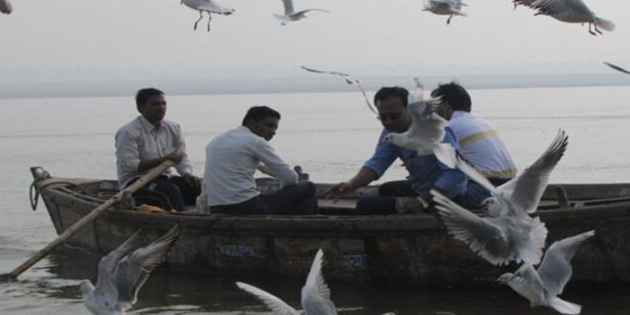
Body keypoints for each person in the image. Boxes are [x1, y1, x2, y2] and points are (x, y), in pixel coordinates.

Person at [324, 86, 488, 214]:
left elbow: (454, 176)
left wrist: (421, 201)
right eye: (383, 117)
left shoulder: (435, 130)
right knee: (386, 189)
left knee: (366, 205)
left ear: (409, 110)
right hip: (422, 187)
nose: (389, 122)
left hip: (450, 195)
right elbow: (377, 163)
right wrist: (350, 184)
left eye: (395, 116)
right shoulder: (391, 133)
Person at [204, 106, 317, 215]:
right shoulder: (255, 141)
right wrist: (285, 190)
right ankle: (301, 225)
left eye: (275, 128)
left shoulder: (216, 141)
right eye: (269, 126)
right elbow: (291, 177)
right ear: (251, 123)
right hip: (246, 207)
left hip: (216, 208)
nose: (273, 132)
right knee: (308, 187)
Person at [115, 88, 201, 211]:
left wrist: (187, 173)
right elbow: (131, 165)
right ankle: (181, 219)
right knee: (170, 191)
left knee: (198, 186)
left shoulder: (173, 127)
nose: (161, 108)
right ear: (141, 107)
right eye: (155, 104)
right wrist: (164, 159)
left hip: (164, 178)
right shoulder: (128, 132)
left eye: (163, 103)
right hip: (135, 184)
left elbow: (181, 156)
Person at [431, 82, 517, 184]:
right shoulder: (483, 123)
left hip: (487, 184)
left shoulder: (450, 127)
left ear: (445, 105)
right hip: (511, 182)